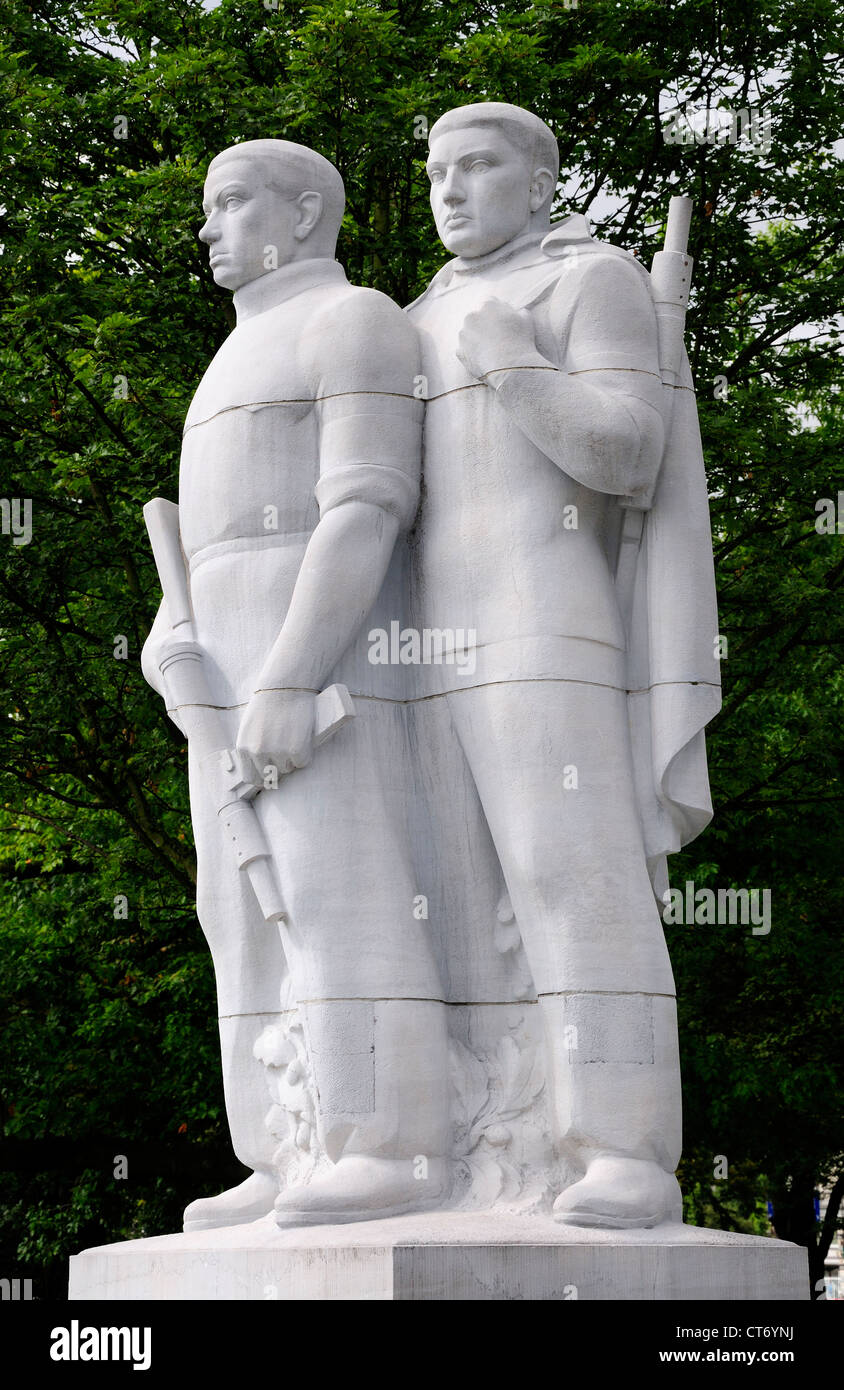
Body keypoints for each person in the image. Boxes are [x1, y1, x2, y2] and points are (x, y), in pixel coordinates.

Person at [407, 102, 718, 1227]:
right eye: (437, 170)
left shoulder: (589, 280)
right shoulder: (404, 318)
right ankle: (455, 1144)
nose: (450, 189)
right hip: (414, 647)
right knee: (441, 904)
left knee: (571, 878)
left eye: (477, 167)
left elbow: (629, 450)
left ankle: (620, 1145)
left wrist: (514, 369)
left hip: (545, 620)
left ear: (539, 183)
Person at [142, 139, 449, 1230]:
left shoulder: (352, 317)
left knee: (338, 890)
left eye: (230, 203)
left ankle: (388, 1141)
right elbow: (211, 548)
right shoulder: (227, 358)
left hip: (320, 661)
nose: (208, 227)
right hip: (221, 669)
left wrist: (288, 673)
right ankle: (282, 1148)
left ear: (305, 207)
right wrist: (169, 642)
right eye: (208, 206)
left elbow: (367, 505)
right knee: (236, 912)